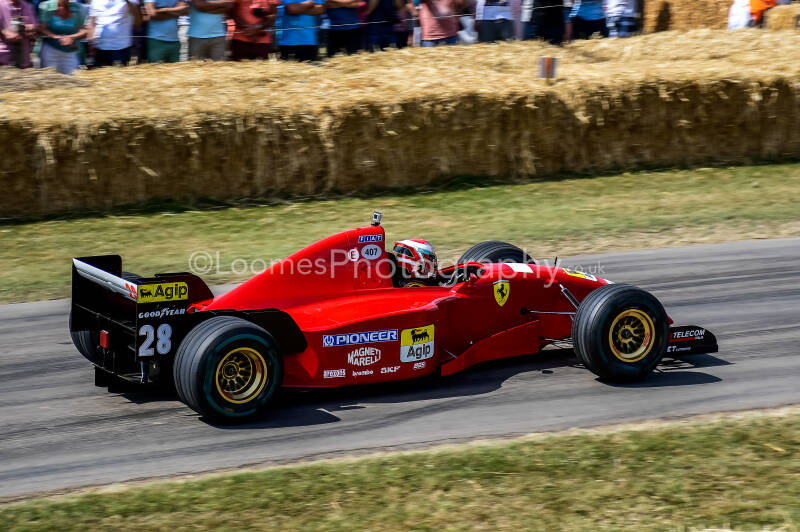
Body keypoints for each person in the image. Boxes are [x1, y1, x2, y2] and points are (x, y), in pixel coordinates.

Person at [38, 0, 87, 74]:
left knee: (72, 80)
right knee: (50, 79)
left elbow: (84, 31)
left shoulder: (78, 8)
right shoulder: (47, 6)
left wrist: (71, 37)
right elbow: (42, 28)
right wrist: (54, 36)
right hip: (50, 50)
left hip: (70, 51)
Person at [88, 0, 142, 66]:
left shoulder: (131, 1)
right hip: (100, 48)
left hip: (121, 49)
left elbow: (138, 22)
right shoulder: (95, 1)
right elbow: (92, 24)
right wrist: (91, 44)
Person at [0, 0, 37, 68]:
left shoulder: (28, 6)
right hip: (3, 55)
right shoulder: (1, 5)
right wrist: (4, 32)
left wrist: (28, 29)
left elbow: (34, 28)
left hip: (23, 56)